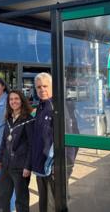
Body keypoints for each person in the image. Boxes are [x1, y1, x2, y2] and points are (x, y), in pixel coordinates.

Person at [31, 72, 78, 212]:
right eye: (39, 87)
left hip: (54, 169)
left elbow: (71, 139)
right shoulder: (40, 107)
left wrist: (66, 167)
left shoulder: (58, 107)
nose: (42, 89)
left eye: (45, 86)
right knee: (44, 205)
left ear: (52, 86)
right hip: (41, 168)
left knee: (55, 206)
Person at [0, 90, 34, 212]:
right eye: (11, 99)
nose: (14, 101)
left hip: (20, 167)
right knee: (2, 197)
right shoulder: (8, 118)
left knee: (21, 200)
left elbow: (31, 145)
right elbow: (4, 140)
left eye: (16, 99)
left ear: (22, 101)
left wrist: (28, 166)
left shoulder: (28, 119)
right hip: (6, 165)